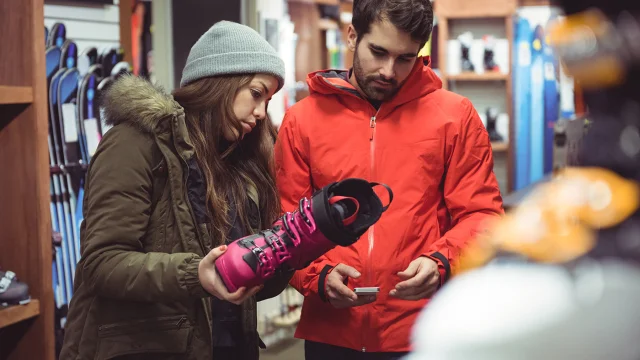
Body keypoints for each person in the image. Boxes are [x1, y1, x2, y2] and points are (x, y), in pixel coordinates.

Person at [274, 0, 504, 358]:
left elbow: (483, 215)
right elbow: (287, 223)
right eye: (377, 52)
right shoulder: (302, 121)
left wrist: (442, 261)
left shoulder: (455, 117)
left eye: (404, 58)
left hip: (422, 330)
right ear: (352, 36)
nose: (388, 71)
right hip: (332, 329)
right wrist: (317, 276)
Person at [59, 20, 293, 360]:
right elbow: (101, 263)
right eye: (256, 93)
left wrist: (291, 249)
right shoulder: (135, 142)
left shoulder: (239, 162)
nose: (260, 112)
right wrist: (194, 274)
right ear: (220, 82)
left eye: (267, 100)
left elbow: (251, 289)